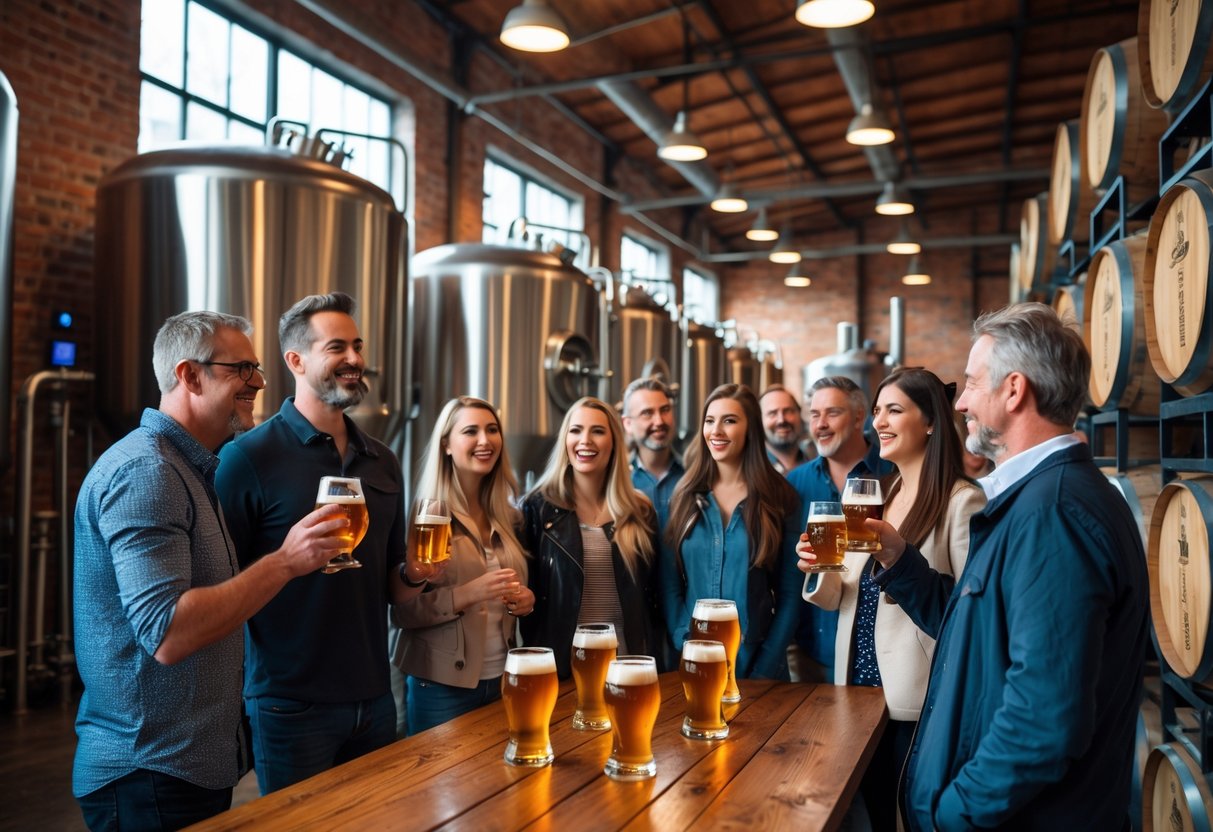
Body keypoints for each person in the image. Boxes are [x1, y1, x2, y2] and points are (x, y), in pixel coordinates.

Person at [869, 303, 1148, 830]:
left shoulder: (1054, 514)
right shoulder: (1038, 500)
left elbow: (1042, 720)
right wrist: (899, 559)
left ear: (1014, 390)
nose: (962, 403)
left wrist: (952, 814)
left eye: (972, 383)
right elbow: (973, 635)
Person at [73, 311, 348, 830]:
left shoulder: (190, 466)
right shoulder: (147, 472)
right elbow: (169, 633)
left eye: (258, 368)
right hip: (149, 771)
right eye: (242, 369)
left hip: (179, 768)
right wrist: (286, 562)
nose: (261, 383)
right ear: (190, 375)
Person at [215, 292, 434, 794]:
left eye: (357, 346)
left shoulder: (381, 459)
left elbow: (392, 583)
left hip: (375, 698)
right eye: (337, 347)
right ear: (296, 360)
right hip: (290, 705)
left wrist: (416, 576)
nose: (355, 359)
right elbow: (221, 588)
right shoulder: (247, 458)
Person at [797, 368, 985, 831]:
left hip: (911, 705)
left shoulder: (963, 502)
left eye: (894, 410)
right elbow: (847, 595)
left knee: (902, 818)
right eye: (877, 411)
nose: (879, 422)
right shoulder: (881, 493)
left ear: (932, 423)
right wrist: (819, 566)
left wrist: (899, 556)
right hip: (856, 693)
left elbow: (965, 620)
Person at [391, 396, 534, 733]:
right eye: (471, 431)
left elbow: (516, 596)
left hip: (503, 679)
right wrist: (467, 594)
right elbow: (402, 613)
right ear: (447, 446)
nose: (485, 441)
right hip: (440, 687)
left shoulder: (511, 517)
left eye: (492, 430)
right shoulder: (427, 518)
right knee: (441, 786)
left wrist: (525, 602)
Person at [662, 384, 802, 680]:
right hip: (695, 661)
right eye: (710, 421)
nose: (716, 430)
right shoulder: (683, 495)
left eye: (729, 420)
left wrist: (765, 666)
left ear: (750, 428)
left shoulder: (779, 497)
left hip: (760, 665)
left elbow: (790, 595)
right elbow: (670, 584)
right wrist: (683, 641)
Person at [520, 396, 658, 679]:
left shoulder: (640, 510)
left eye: (597, 431)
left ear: (614, 442)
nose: (585, 440)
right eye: (576, 430)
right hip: (562, 669)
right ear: (565, 441)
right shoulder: (536, 508)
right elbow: (528, 598)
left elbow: (654, 599)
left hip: (627, 667)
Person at [786, 376, 891, 681]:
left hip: (872, 660)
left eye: (832, 413)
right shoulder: (796, 483)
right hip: (811, 655)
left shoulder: (891, 474)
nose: (820, 424)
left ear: (860, 417)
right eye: (814, 414)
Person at [621, 376, 684, 532]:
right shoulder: (618, 481)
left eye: (665, 410)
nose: (659, 421)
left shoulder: (693, 474)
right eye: (647, 413)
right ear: (628, 424)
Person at [759, 384, 809, 475]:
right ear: (760, 420)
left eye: (788, 411)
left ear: (799, 415)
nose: (781, 420)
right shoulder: (751, 471)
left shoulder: (816, 466)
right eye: (772, 413)